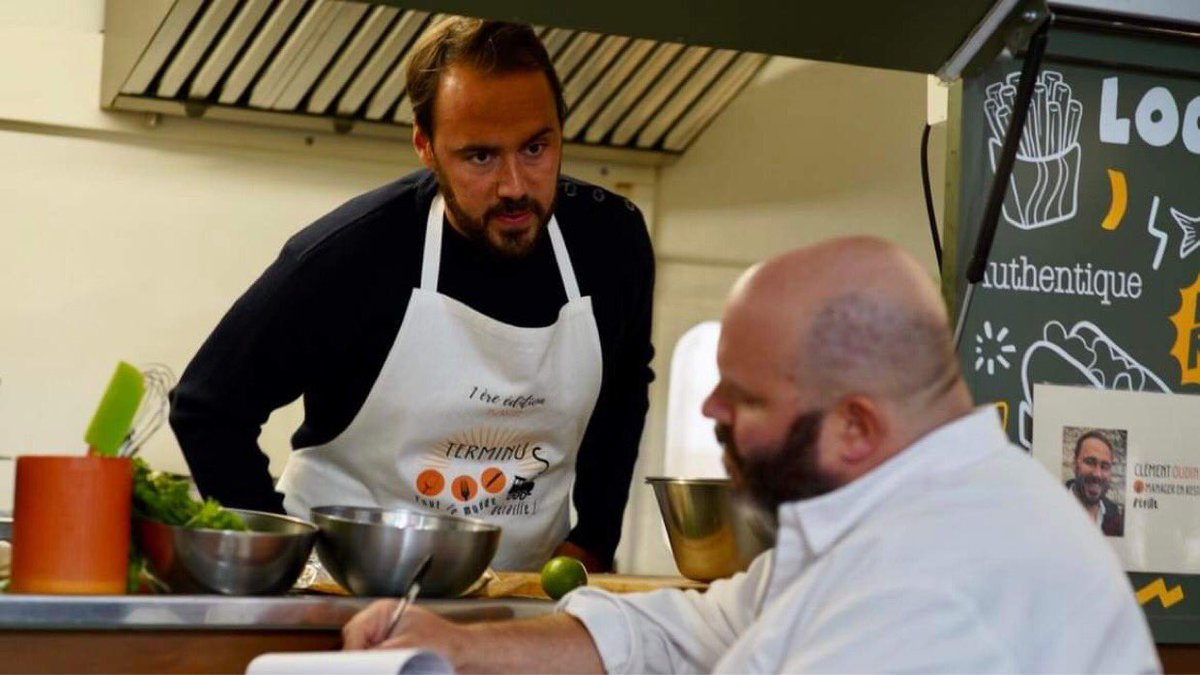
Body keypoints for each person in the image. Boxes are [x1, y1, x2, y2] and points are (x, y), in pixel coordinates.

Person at [342, 237, 1158, 673]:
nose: (709, 410)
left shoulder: (939, 585)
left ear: (855, 427)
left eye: (748, 398)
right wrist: (454, 643)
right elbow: (678, 634)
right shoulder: (875, 518)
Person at [168, 18, 655, 572]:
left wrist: (594, 536)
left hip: (520, 600)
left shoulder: (610, 243)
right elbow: (208, 406)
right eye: (480, 157)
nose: (515, 185)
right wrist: (277, 565)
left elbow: (622, 389)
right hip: (343, 593)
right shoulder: (353, 256)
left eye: (536, 147)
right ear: (425, 145)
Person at [1066, 430, 1124, 537]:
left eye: (1105, 466)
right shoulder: (1052, 507)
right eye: (1089, 462)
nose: (1097, 474)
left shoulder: (1115, 517)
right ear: (1074, 464)